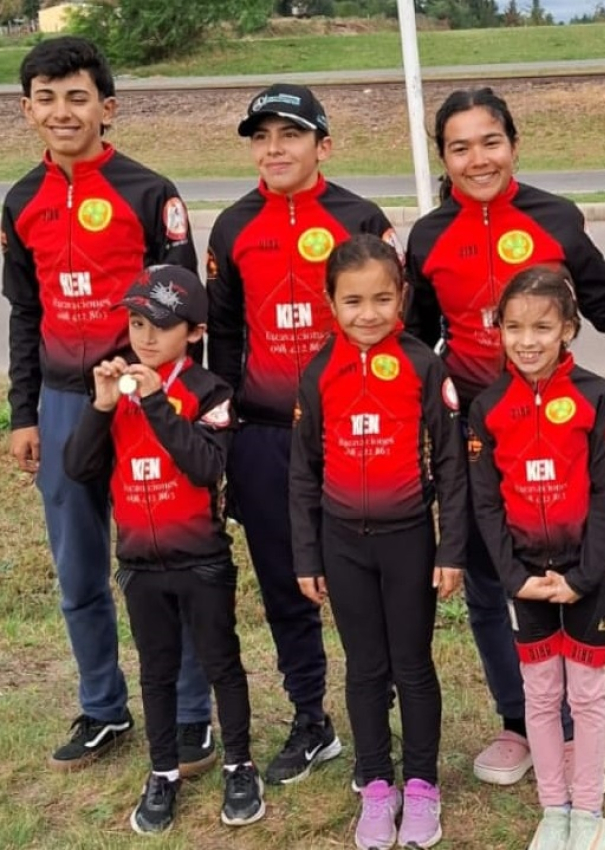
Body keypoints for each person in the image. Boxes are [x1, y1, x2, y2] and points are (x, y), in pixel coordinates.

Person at [405, 86, 605, 786]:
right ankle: (518, 721)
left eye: (491, 142)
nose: (478, 159)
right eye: (460, 147)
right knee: (489, 581)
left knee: (566, 568)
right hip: (475, 431)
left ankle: (569, 721)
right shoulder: (427, 236)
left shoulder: (557, 218)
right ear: (444, 157)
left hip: (557, 429)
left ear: (513, 144)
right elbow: (417, 339)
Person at [1, 35, 215, 774]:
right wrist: (23, 414)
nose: (62, 111)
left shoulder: (149, 192)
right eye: (46, 98)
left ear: (107, 107)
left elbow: (186, 309)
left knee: (163, 558)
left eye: (77, 97)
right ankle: (102, 706)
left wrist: (181, 403)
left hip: (142, 398)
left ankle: (190, 714)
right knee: (78, 568)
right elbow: (25, 314)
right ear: (27, 110)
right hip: (65, 402)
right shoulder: (20, 200)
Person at [206, 82, 403, 786]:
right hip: (263, 438)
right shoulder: (231, 226)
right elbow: (223, 340)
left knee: (362, 584)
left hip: (354, 434)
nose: (274, 149)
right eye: (261, 137)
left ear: (324, 144)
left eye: (289, 134)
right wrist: (224, 438)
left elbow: (396, 326)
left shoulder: (359, 218)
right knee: (287, 582)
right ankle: (310, 718)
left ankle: (376, 720)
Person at [63, 265, 264, 834]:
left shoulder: (209, 391)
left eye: (162, 325)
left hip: (202, 559)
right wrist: (102, 406)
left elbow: (205, 466)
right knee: (156, 671)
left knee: (221, 663)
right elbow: (78, 468)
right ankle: (162, 772)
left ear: (195, 332)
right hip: (139, 562)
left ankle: (239, 765)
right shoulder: (116, 385)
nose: (146, 337)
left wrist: (156, 403)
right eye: (136, 324)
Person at [290, 234, 467, 850]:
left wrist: (451, 548)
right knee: (364, 668)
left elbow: (451, 465)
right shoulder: (318, 373)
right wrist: (307, 554)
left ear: (403, 297)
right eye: (353, 301)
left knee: (412, 666)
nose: (369, 313)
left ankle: (420, 785)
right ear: (330, 303)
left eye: (382, 299)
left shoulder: (423, 365)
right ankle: (375, 785)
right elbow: (303, 473)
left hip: (409, 540)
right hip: (342, 545)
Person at [469, 267, 605, 850]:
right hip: (526, 582)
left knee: (585, 695)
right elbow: (486, 503)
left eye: (542, 327)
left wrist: (584, 576)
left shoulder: (595, 395)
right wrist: (513, 578)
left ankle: (588, 810)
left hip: (586, 577)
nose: (527, 341)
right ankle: (553, 809)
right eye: (514, 327)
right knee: (539, 695)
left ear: (568, 329)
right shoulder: (487, 406)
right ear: (499, 330)